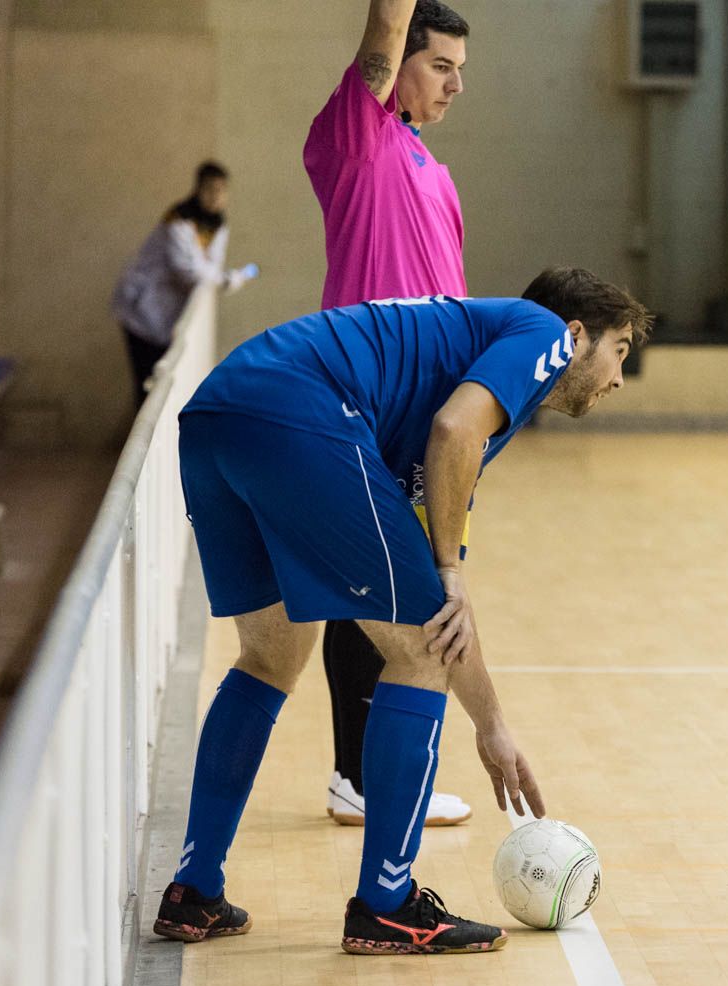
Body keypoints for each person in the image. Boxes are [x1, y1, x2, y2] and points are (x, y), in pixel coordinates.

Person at [153, 268, 652, 954]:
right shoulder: (540, 335)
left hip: (218, 413)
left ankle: (193, 891)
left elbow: (446, 611)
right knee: (417, 655)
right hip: (300, 411)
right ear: (574, 334)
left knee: (272, 656)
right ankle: (387, 904)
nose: (618, 378)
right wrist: (449, 571)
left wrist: (491, 726)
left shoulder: (458, 375)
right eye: (618, 350)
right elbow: (453, 432)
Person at [304, 0, 474, 828]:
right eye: (440, 65)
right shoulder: (357, 138)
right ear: (397, 66)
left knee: (396, 586)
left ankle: (367, 776)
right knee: (371, 587)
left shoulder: (434, 174)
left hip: (422, 417)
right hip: (362, 401)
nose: (455, 84)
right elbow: (382, 28)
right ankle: (359, 778)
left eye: (461, 71)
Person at [111, 161, 256, 405]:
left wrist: (223, 278)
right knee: (147, 385)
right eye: (210, 189)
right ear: (198, 189)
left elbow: (211, 266)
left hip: (166, 316)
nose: (215, 196)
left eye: (221, 190)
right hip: (143, 309)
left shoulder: (218, 224)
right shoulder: (179, 220)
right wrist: (229, 280)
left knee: (161, 380)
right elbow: (188, 271)